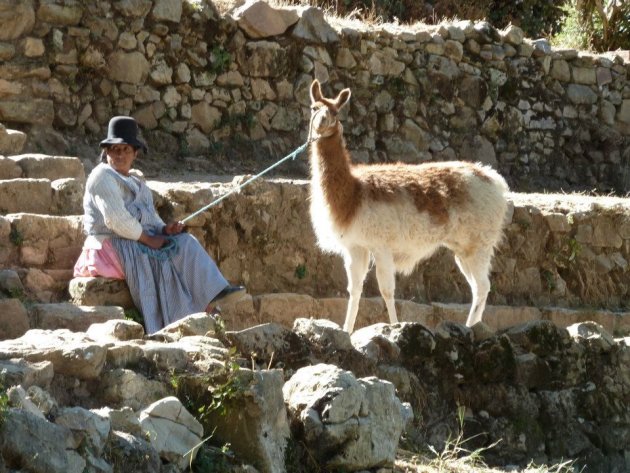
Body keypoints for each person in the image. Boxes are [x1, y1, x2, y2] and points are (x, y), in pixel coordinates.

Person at [74, 116, 245, 334]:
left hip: (136, 240)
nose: (120, 155)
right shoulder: (102, 176)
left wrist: (165, 230)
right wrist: (149, 239)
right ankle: (187, 319)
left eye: (125, 149)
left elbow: (151, 219)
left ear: (135, 153)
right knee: (162, 262)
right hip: (110, 246)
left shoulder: (137, 183)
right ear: (106, 152)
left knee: (184, 242)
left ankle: (215, 293)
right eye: (114, 149)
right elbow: (116, 220)